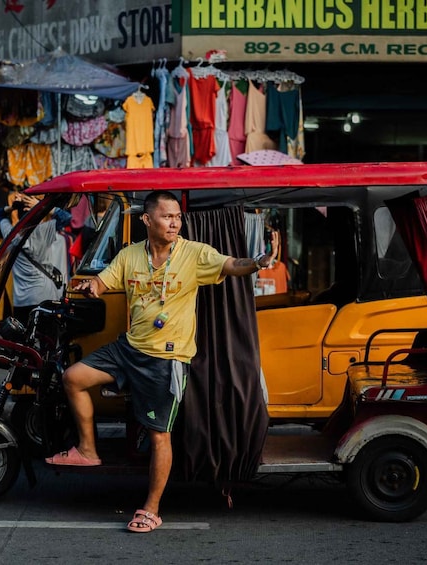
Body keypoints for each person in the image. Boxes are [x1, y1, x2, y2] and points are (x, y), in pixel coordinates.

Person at [46, 190, 272, 533]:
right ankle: (89, 450)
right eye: (167, 216)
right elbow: (105, 282)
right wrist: (93, 286)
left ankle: (150, 510)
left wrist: (256, 262)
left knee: (158, 436)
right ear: (146, 220)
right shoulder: (130, 255)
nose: (174, 222)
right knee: (73, 377)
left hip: (165, 359)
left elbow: (231, 265)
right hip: (129, 349)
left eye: (177, 217)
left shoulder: (194, 254)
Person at [0, 192, 70, 324]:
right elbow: (66, 217)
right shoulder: (46, 229)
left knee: (22, 342)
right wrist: (41, 206)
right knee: (47, 340)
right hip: (46, 296)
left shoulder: (10, 234)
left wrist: (14, 206)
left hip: (22, 300)